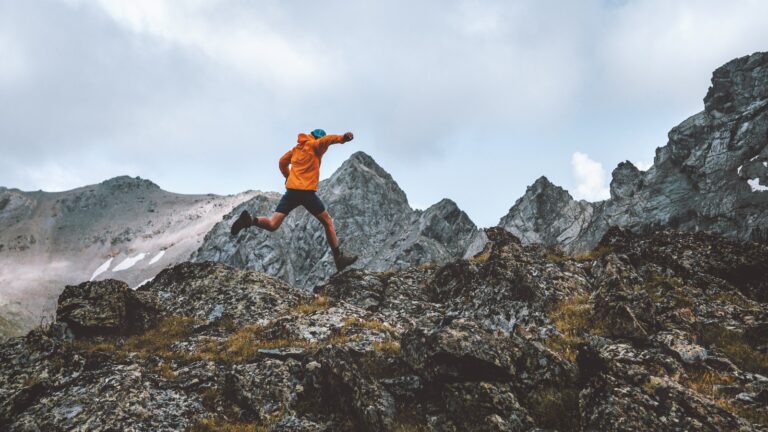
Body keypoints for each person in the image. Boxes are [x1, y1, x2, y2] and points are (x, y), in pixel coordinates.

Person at [231, 129, 359, 272]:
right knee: (328, 222)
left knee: (273, 224)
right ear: (317, 138)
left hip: (291, 191)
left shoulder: (296, 149)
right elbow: (328, 140)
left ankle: (250, 221)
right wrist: (343, 138)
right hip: (306, 193)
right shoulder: (316, 145)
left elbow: (282, 162)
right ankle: (339, 259)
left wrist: (288, 176)